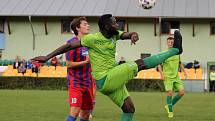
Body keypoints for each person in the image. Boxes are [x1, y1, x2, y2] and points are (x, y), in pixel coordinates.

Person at [31, 14, 183, 121]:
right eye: (114, 22)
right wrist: (47, 57)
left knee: (129, 109)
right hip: (105, 78)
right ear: (106, 26)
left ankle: (175, 50)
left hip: (110, 81)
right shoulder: (92, 39)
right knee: (139, 64)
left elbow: (128, 34)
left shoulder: (114, 34)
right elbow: (69, 46)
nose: (117, 25)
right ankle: (175, 50)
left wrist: (133, 35)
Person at [65, 17, 95, 121]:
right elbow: (68, 64)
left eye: (88, 24)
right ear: (78, 28)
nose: (88, 26)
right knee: (75, 111)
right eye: (85, 24)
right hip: (76, 83)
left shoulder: (90, 43)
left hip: (88, 83)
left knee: (86, 114)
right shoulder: (71, 43)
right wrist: (85, 62)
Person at [157, 37, 187, 118]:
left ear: (174, 43)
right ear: (167, 43)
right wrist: (161, 74)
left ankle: (168, 106)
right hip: (167, 77)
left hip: (176, 76)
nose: (170, 43)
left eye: (172, 42)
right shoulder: (164, 53)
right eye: (169, 42)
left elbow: (180, 63)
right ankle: (170, 111)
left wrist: (184, 72)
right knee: (170, 93)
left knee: (182, 92)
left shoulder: (177, 53)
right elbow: (159, 64)